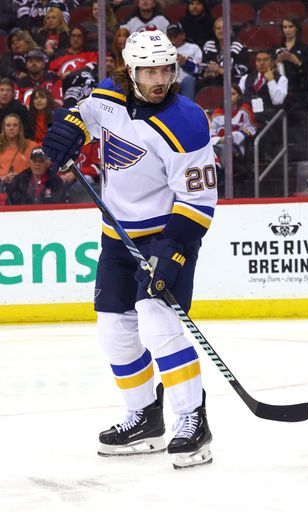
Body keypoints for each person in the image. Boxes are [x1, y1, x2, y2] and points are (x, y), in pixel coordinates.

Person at [41, 30, 217, 469]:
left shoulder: (188, 121)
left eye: (166, 70)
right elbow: (85, 115)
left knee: (158, 323)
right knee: (114, 334)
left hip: (167, 235)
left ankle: (192, 419)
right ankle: (144, 417)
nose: (159, 79)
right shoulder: (108, 95)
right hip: (116, 236)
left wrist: (174, 249)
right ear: (130, 71)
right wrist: (69, 132)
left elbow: (198, 200)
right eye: (149, 71)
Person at [239, 49, 288, 125]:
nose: (261, 63)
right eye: (258, 60)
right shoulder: (245, 78)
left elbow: (278, 101)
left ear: (272, 63)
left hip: (268, 119)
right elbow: (237, 97)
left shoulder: (281, 79)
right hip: (247, 116)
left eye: (265, 60)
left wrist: (271, 80)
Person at [199, 16, 248, 89]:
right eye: (218, 28)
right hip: (210, 81)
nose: (221, 31)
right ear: (214, 30)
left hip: (232, 82)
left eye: (224, 28)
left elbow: (243, 69)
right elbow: (203, 66)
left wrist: (220, 70)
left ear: (230, 30)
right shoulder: (208, 45)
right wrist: (207, 73)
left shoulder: (238, 46)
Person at [166, 22, 202, 99]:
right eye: (170, 36)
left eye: (175, 35)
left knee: (188, 80)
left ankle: (188, 109)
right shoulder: (163, 50)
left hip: (187, 83)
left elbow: (199, 70)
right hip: (170, 83)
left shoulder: (193, 48)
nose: (172, 38)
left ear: (183, 35)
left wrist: (185, 63)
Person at [0, 112, 38, 180]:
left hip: (25, 185)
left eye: (15, 125)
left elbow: (40, 169)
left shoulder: (32, 146)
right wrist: (2, 178)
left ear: (20, 128)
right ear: (4, 129)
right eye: (8, 125)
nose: (11, 128)